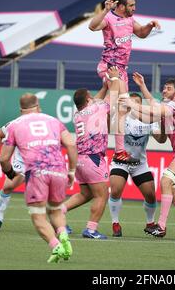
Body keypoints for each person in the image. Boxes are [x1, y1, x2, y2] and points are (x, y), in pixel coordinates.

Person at [120, 73, 175, 241]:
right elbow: (152, 108)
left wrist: (131, 103)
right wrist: (142, 86)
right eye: (164, 87)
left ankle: (161, 226)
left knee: (165, 181)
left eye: (169, 88)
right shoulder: (170, 104)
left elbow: (154, 110)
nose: (165, 90)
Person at [0, 93, 78, 263]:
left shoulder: (15, 125)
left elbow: (4, 158)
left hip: (37, 173)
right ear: (38, 106)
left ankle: (56, 246)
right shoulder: (53, 121)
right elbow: (71, 144)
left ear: (21, 110)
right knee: (56, 211)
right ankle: (63, 235)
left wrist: (11, 174)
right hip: (59, 171)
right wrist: (71, 172)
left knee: (38, 216)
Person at [88, 0, 160, 164]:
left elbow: (141, 33)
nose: (134, 8)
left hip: (122, 70)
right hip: (109, 67)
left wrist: (150, 25)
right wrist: (105, 10)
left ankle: (119, 151)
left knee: (122, 109)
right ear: (120, 6)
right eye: (131, 5)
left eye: (134, 5)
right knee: (116, 103)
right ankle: (91, 117)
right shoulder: (109, 19)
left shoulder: (129, 20)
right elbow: (92, 26)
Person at [62, 69, 117, 239]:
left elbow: (96, 101)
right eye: (90, 96)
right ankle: (91, 230)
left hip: (80, 159)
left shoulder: (78, 114)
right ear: (88, 100)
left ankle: (59, 211)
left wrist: (104, 86)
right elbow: (112, 98)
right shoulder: (96, 108)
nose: (94, 97)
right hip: (93, 158)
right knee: (102, 194)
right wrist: (114, 78)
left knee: (86, 194)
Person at [108, 92, 167, 237]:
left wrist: (164, 125)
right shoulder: (121, 118)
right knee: (115, 190)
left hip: (139, 164)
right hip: (120, 162)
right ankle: (115, 223)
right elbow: (108, 126)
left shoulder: (148, 120)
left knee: (151, 195)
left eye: (136, 102)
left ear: (140, 105)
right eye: (130, 101)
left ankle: (150, 223)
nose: (132, 105)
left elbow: (161, 140)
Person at [0, 122, 26, 228]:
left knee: (47, 194)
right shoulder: (15, 124)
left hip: (39, 164)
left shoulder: (44, 123)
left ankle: (61, 224)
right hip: (21, 165)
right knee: (7, 187)